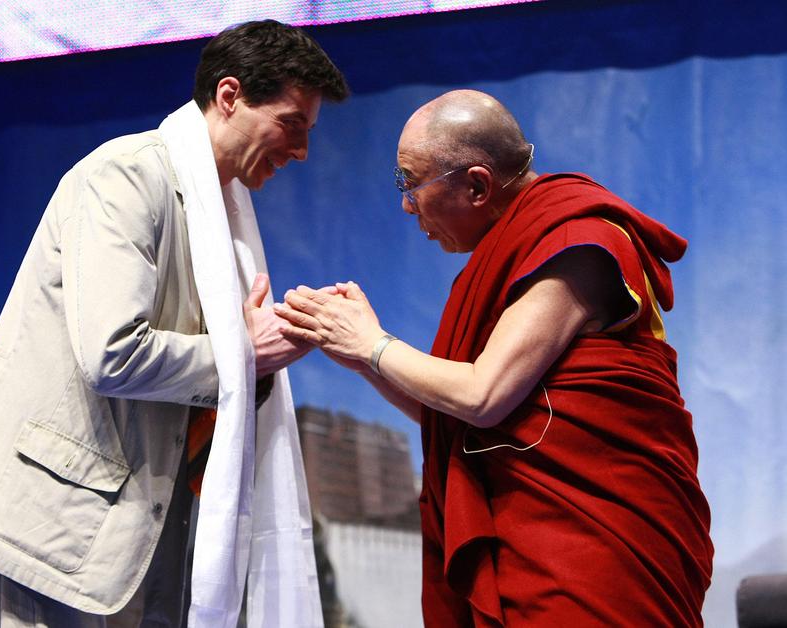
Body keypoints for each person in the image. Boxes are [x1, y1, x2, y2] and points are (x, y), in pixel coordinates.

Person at [0, 20, 348, 628]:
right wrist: (243, 352)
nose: (300, 150)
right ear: (229, 96)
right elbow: (113, 354)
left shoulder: (219, 209)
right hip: (57, 510)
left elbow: (198, 370)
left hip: (143, 516)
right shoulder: (126, 177)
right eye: (292, 123)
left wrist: (263, 357)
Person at [276, 89, 713, 627]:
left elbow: (483, 396)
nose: (407, 206)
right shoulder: (507, 259)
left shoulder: (577, 243)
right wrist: (365, 360)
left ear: (478, 185)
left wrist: (373, 344)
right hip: (529, 539)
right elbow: (456, 415)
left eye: (412, 184)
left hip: (591, 549)